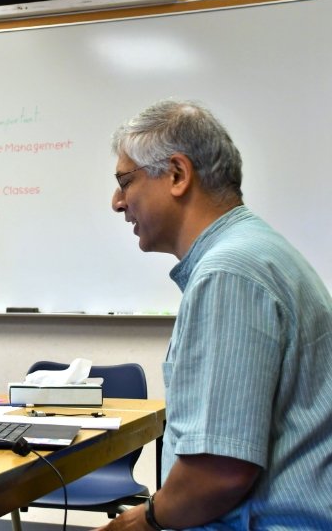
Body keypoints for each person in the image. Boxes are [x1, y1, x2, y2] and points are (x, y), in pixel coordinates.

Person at [98, 99, 332, 530]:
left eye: (124, 181)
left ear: (177, 175)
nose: (117, 201)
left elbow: (218, 472)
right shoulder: (256, 251)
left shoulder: (229, 272)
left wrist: (143, 521)